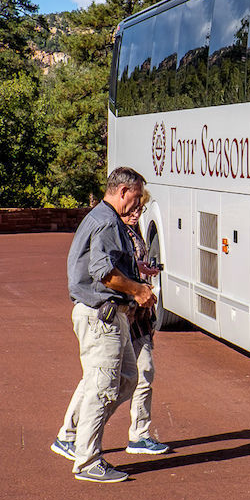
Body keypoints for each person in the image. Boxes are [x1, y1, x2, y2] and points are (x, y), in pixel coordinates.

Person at [51, 166, 155, 483]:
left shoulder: (101, 218)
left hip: (105, 312)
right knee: (104, 386)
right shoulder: (108, 221)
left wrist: (132, 267)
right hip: (103, 314)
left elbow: (104, 262)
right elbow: (103, 272)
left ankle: (76, 440)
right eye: (136, 197)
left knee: (125, 378)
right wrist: (138, 290)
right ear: (122, 191)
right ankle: (87, 460)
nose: (137, 204)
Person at [119, 193, 170, 455]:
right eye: (133, 208)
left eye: (141, 208)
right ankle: (70, 433)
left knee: (145, 372)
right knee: (100, 381)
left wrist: (143, 271)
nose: (137, 213)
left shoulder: (135, 233)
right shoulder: (113, 232)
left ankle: (139, 434)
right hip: (118, 316)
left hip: (140, 318)